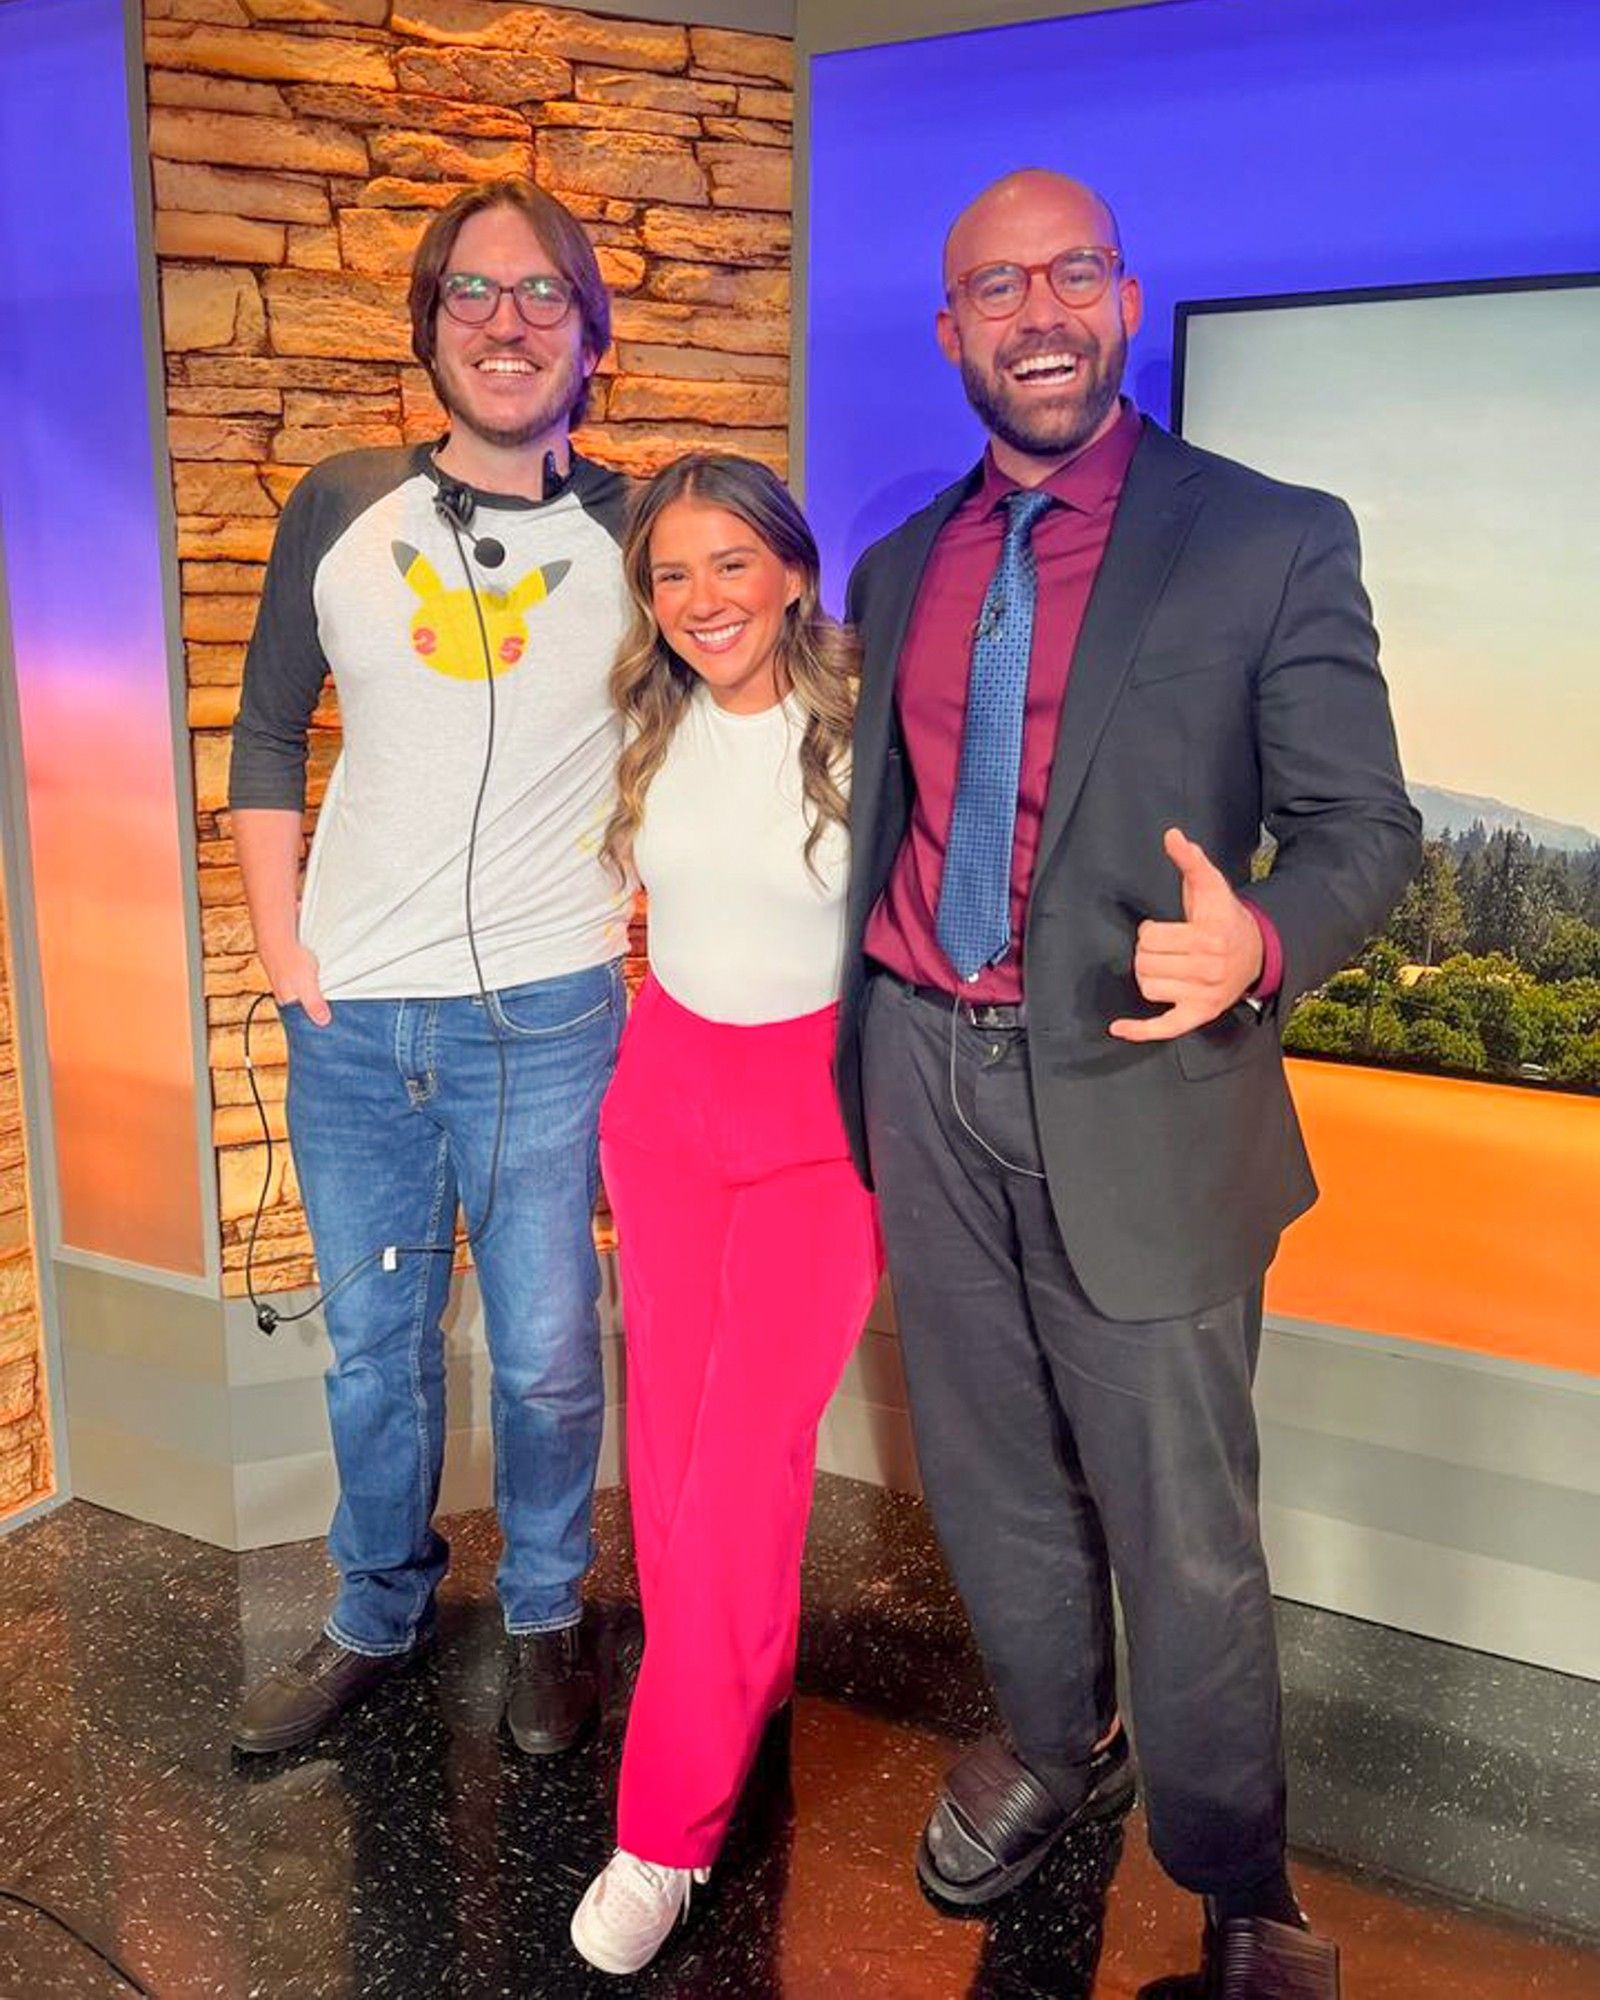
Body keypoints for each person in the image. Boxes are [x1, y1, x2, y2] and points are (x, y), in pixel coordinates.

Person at [834, 170, 1421, 2000]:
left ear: (1126, 296)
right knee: (994, 1476)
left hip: (1144, 1092)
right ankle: (1049, 1737)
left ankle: (1242, 1878)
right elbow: (887, 829)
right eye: (996, 287)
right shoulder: (898, 566)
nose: (1039, 313)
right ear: (951, 331)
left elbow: (1363, 829)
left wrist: (1260, 941)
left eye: (1071, 273)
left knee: (1184, 1522)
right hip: (924, 1068)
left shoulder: (1267, 537)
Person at [228, 179, 633, 1759]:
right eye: (474, 292)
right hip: (354, 1022)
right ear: (430, 324)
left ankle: (547, 1607)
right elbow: (268, 734)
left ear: (589, 334)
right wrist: (283, 948)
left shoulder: (637, 528)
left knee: (540, 1349)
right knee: (374, 1350)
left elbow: (725, 714)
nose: (508, 322)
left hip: (546, 1010)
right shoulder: (341, 503)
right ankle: (375, 1609)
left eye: (543, 295)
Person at [568, 454, 882, 1977]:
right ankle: (737, 1685)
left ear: (793, 572)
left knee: (748, 1461)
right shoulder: (640, 728)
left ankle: (666, 1834)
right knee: (676, 1466)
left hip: (821, 1129)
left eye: (731, 566)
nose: (703, 602)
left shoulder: (867, 730)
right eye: (672, 575)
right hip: (669, 1110)